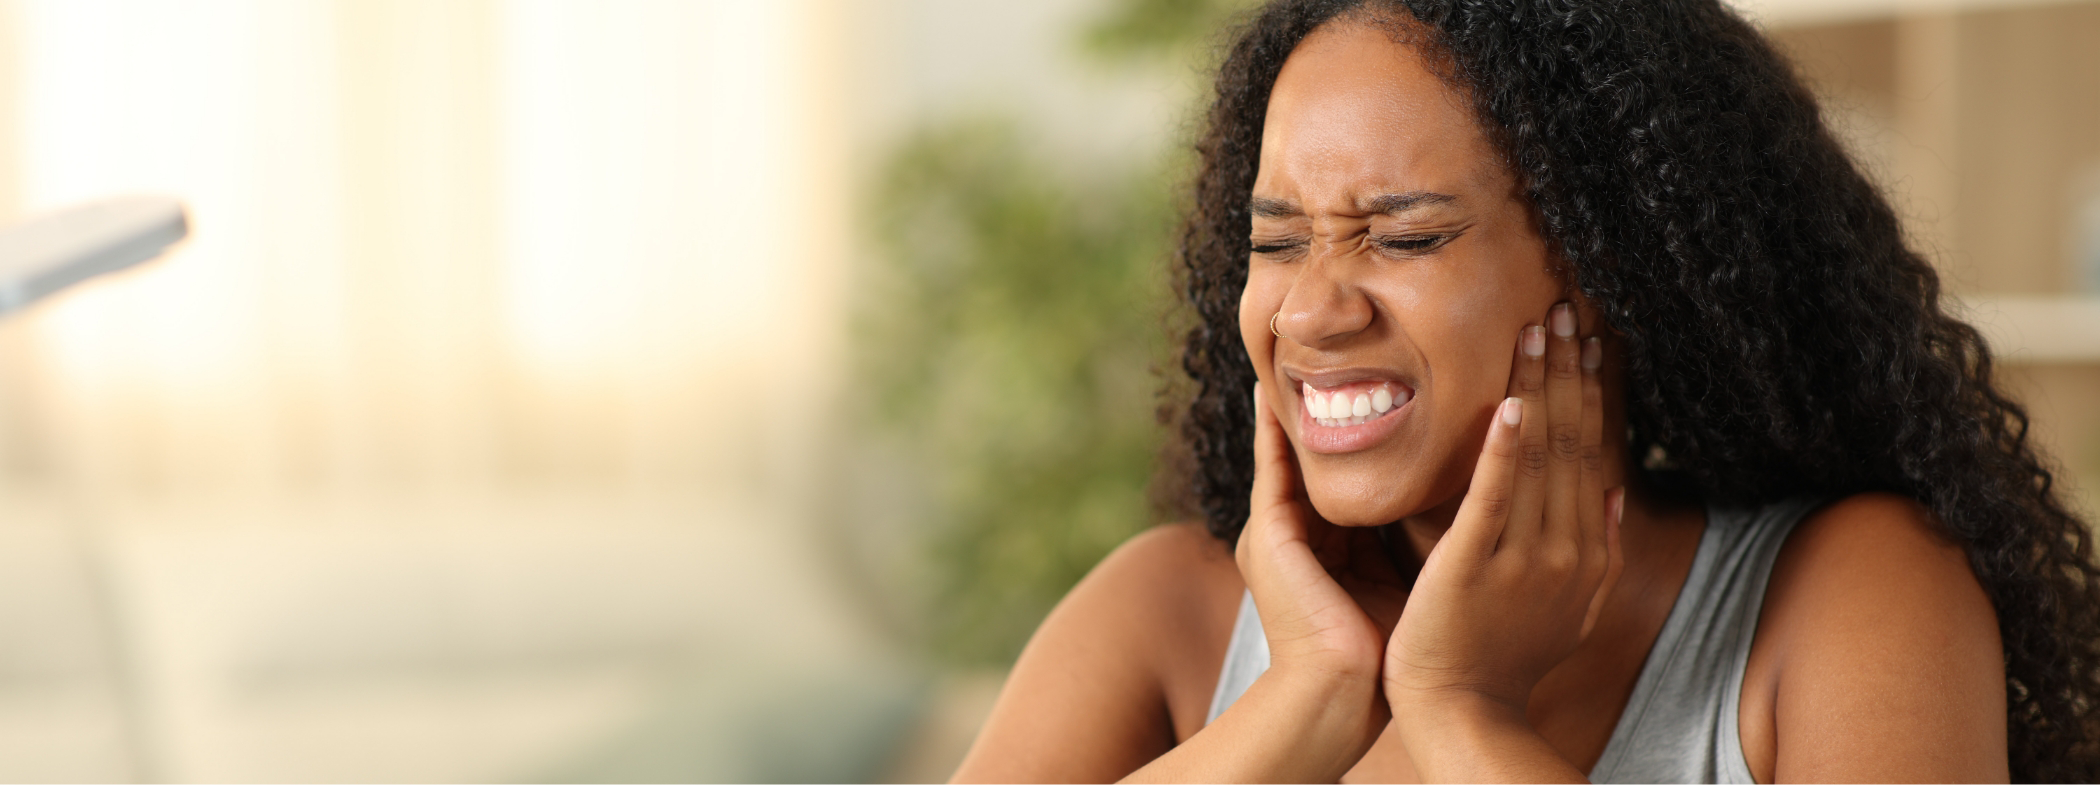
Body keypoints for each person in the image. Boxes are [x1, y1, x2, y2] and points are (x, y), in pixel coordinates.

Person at [949, 0, 2100, 782]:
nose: (1310, 312)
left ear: (1614, 264)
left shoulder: (1846, 591)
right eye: (1279, 240)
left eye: (1404, 238)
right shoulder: (1170, 614)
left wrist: (1462, 712)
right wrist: (1303, 701)